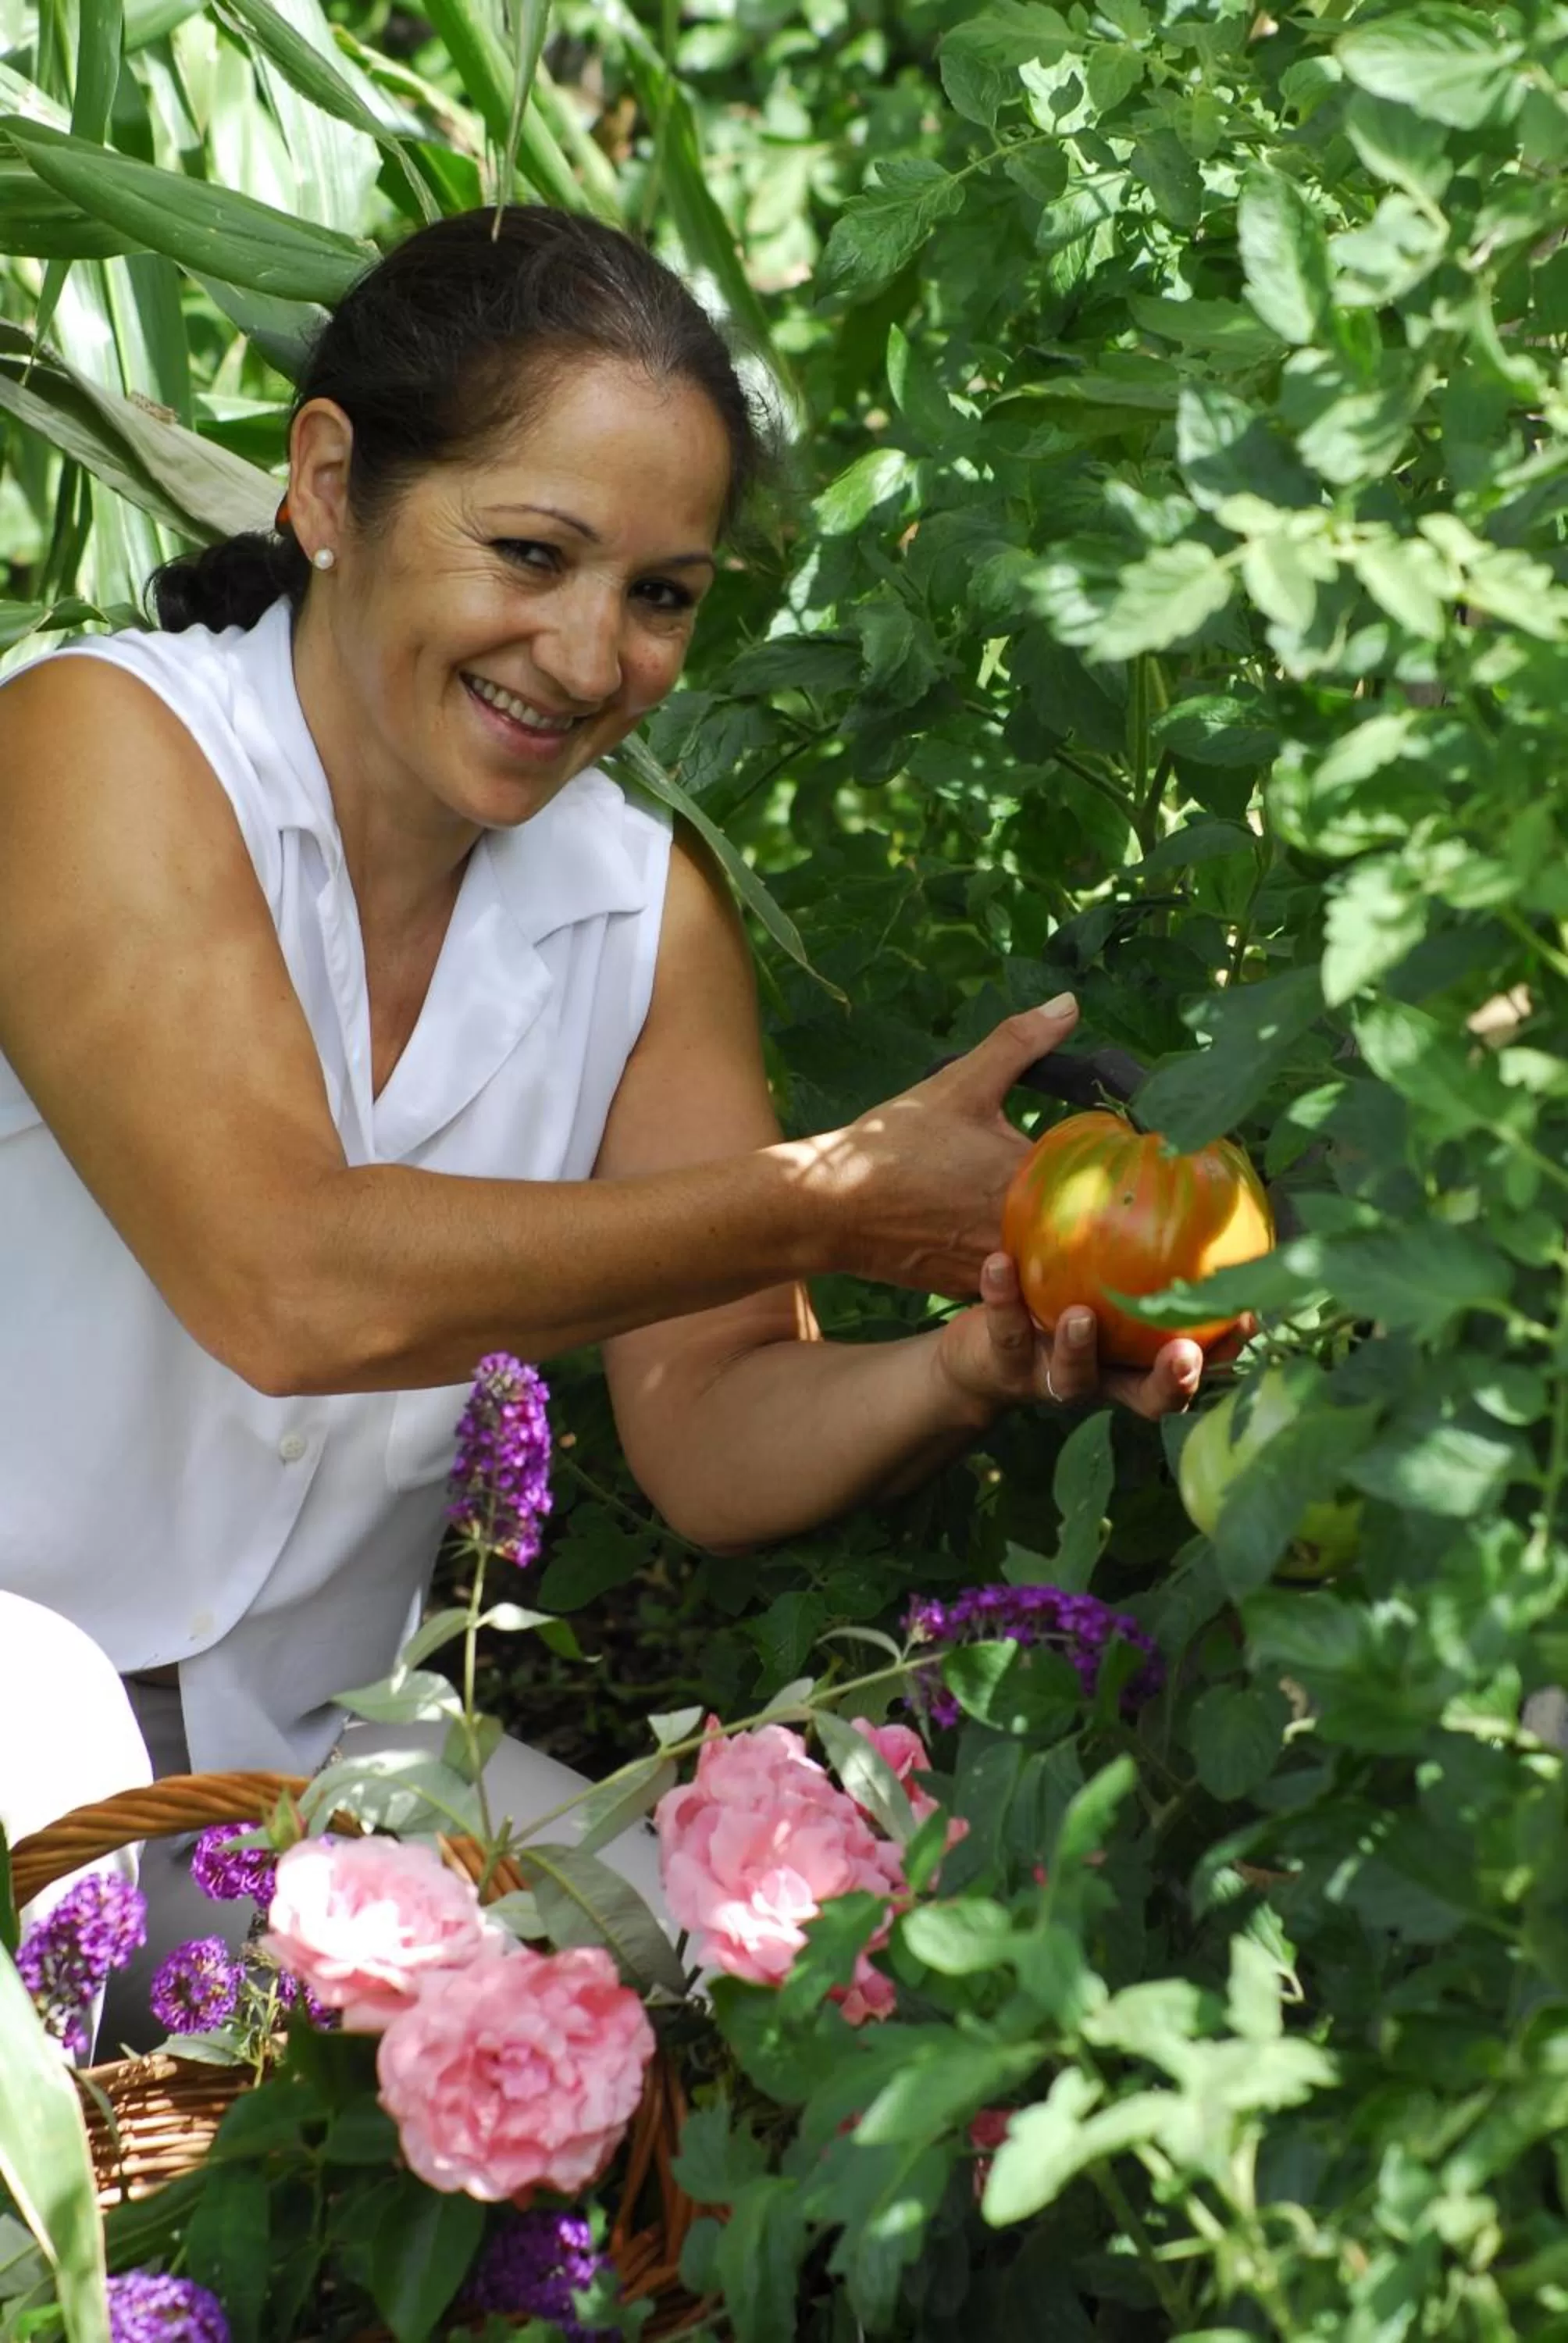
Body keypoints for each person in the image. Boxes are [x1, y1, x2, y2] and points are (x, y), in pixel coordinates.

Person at [0, 207, 1203, 2031]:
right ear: (327, 486)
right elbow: (288, 1281)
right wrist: (819, 1202)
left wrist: (962, 1361)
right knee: (49, 1733)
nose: (585, 658)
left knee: (768, 1973)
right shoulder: (96, 746)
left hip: (312, 1762)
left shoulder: (640, 917)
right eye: (530, 553)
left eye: (658, 597)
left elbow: (710, 1426)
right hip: (16, 1692)